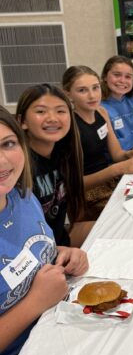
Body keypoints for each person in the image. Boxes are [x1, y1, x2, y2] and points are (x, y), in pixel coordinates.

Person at [0, 106, 88, 355]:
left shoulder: (22, 197)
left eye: (7, 144)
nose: (1, 161)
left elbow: (33, 249)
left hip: (60, 328)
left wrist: (63, 253)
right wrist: (35, 302)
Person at [62, 66, 133, 221]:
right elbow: (72, 185)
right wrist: (117, 169)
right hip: (87, 196)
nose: (92, 95)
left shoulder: (101, 112)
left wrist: (130, 153)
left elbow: (116, 154)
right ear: (68, 94)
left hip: (112, 182)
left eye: (95, 88)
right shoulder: (69, 126)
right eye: (82, 90)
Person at [16, 84, 92, 248]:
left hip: (61, 243)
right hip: (38, 254)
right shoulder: (17, 166)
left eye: (60, 111)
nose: (52, 118)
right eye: (41, 111)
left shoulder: (64, 154)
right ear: (22, 121)